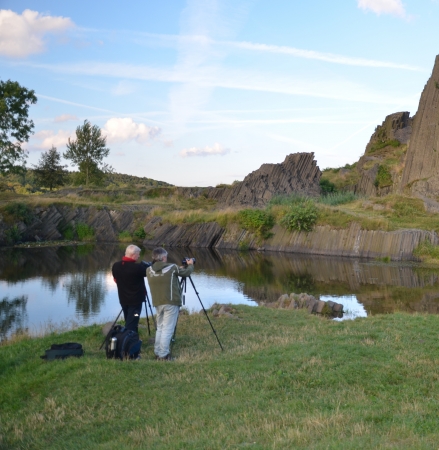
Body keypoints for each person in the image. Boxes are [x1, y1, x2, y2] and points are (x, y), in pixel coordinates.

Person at [146, 247, 194, 360]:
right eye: (166, 257)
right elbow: (186, 273)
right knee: (167, 329)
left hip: (158, 302)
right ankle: (163, 355)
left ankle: (157, 352)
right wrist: (190, 264)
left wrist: (179, 268)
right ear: (163, 257)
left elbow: (164, 272)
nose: (166, 259)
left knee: (160, 328)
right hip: (171, 302)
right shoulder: (172, 268)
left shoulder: (149, 270)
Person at [112, 244, 147, 333]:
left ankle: (133, 339)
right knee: (133, 320)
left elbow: (116, 280)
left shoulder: (115, 266)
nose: (139, 256)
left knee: (129, 319)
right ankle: (128, 340)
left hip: (123, 299)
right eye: (138, 254)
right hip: (135, 302)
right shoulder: (138, 268)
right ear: (134, 254)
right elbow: (150, 273)